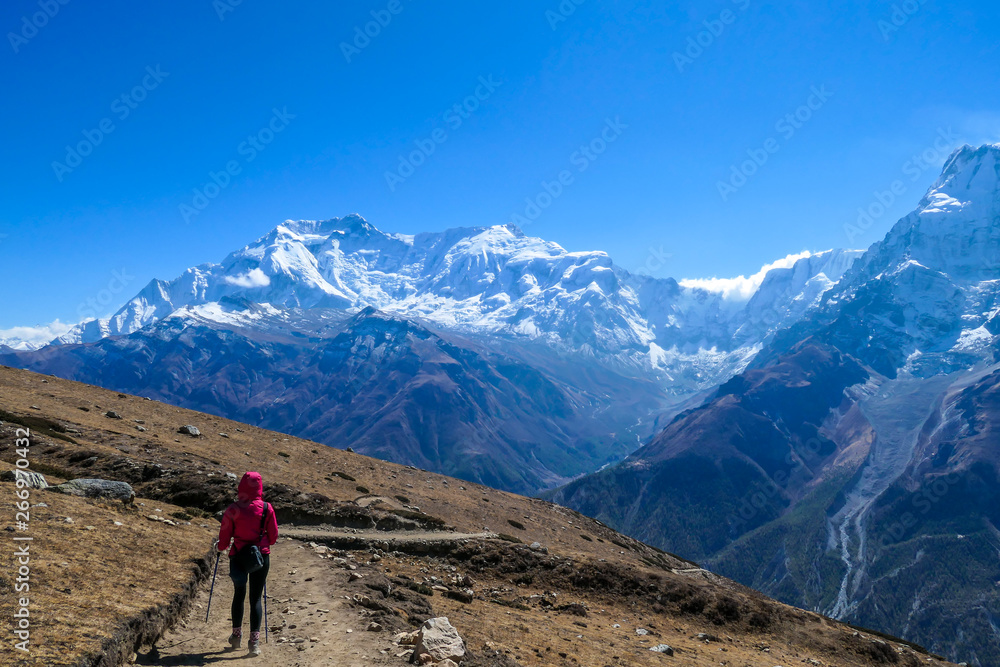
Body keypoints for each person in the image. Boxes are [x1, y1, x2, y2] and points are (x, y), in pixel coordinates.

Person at [216, 471, 279, 656]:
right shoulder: (267, 508)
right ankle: (254, 642)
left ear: (241, 486)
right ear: (260, 487)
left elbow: (224, 540)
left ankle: (236, 636)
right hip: (261, 556)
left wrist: (220, 547)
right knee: (256, 598)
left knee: (239, 594)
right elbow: (273, 538)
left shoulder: (233, 509)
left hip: (238, 557)